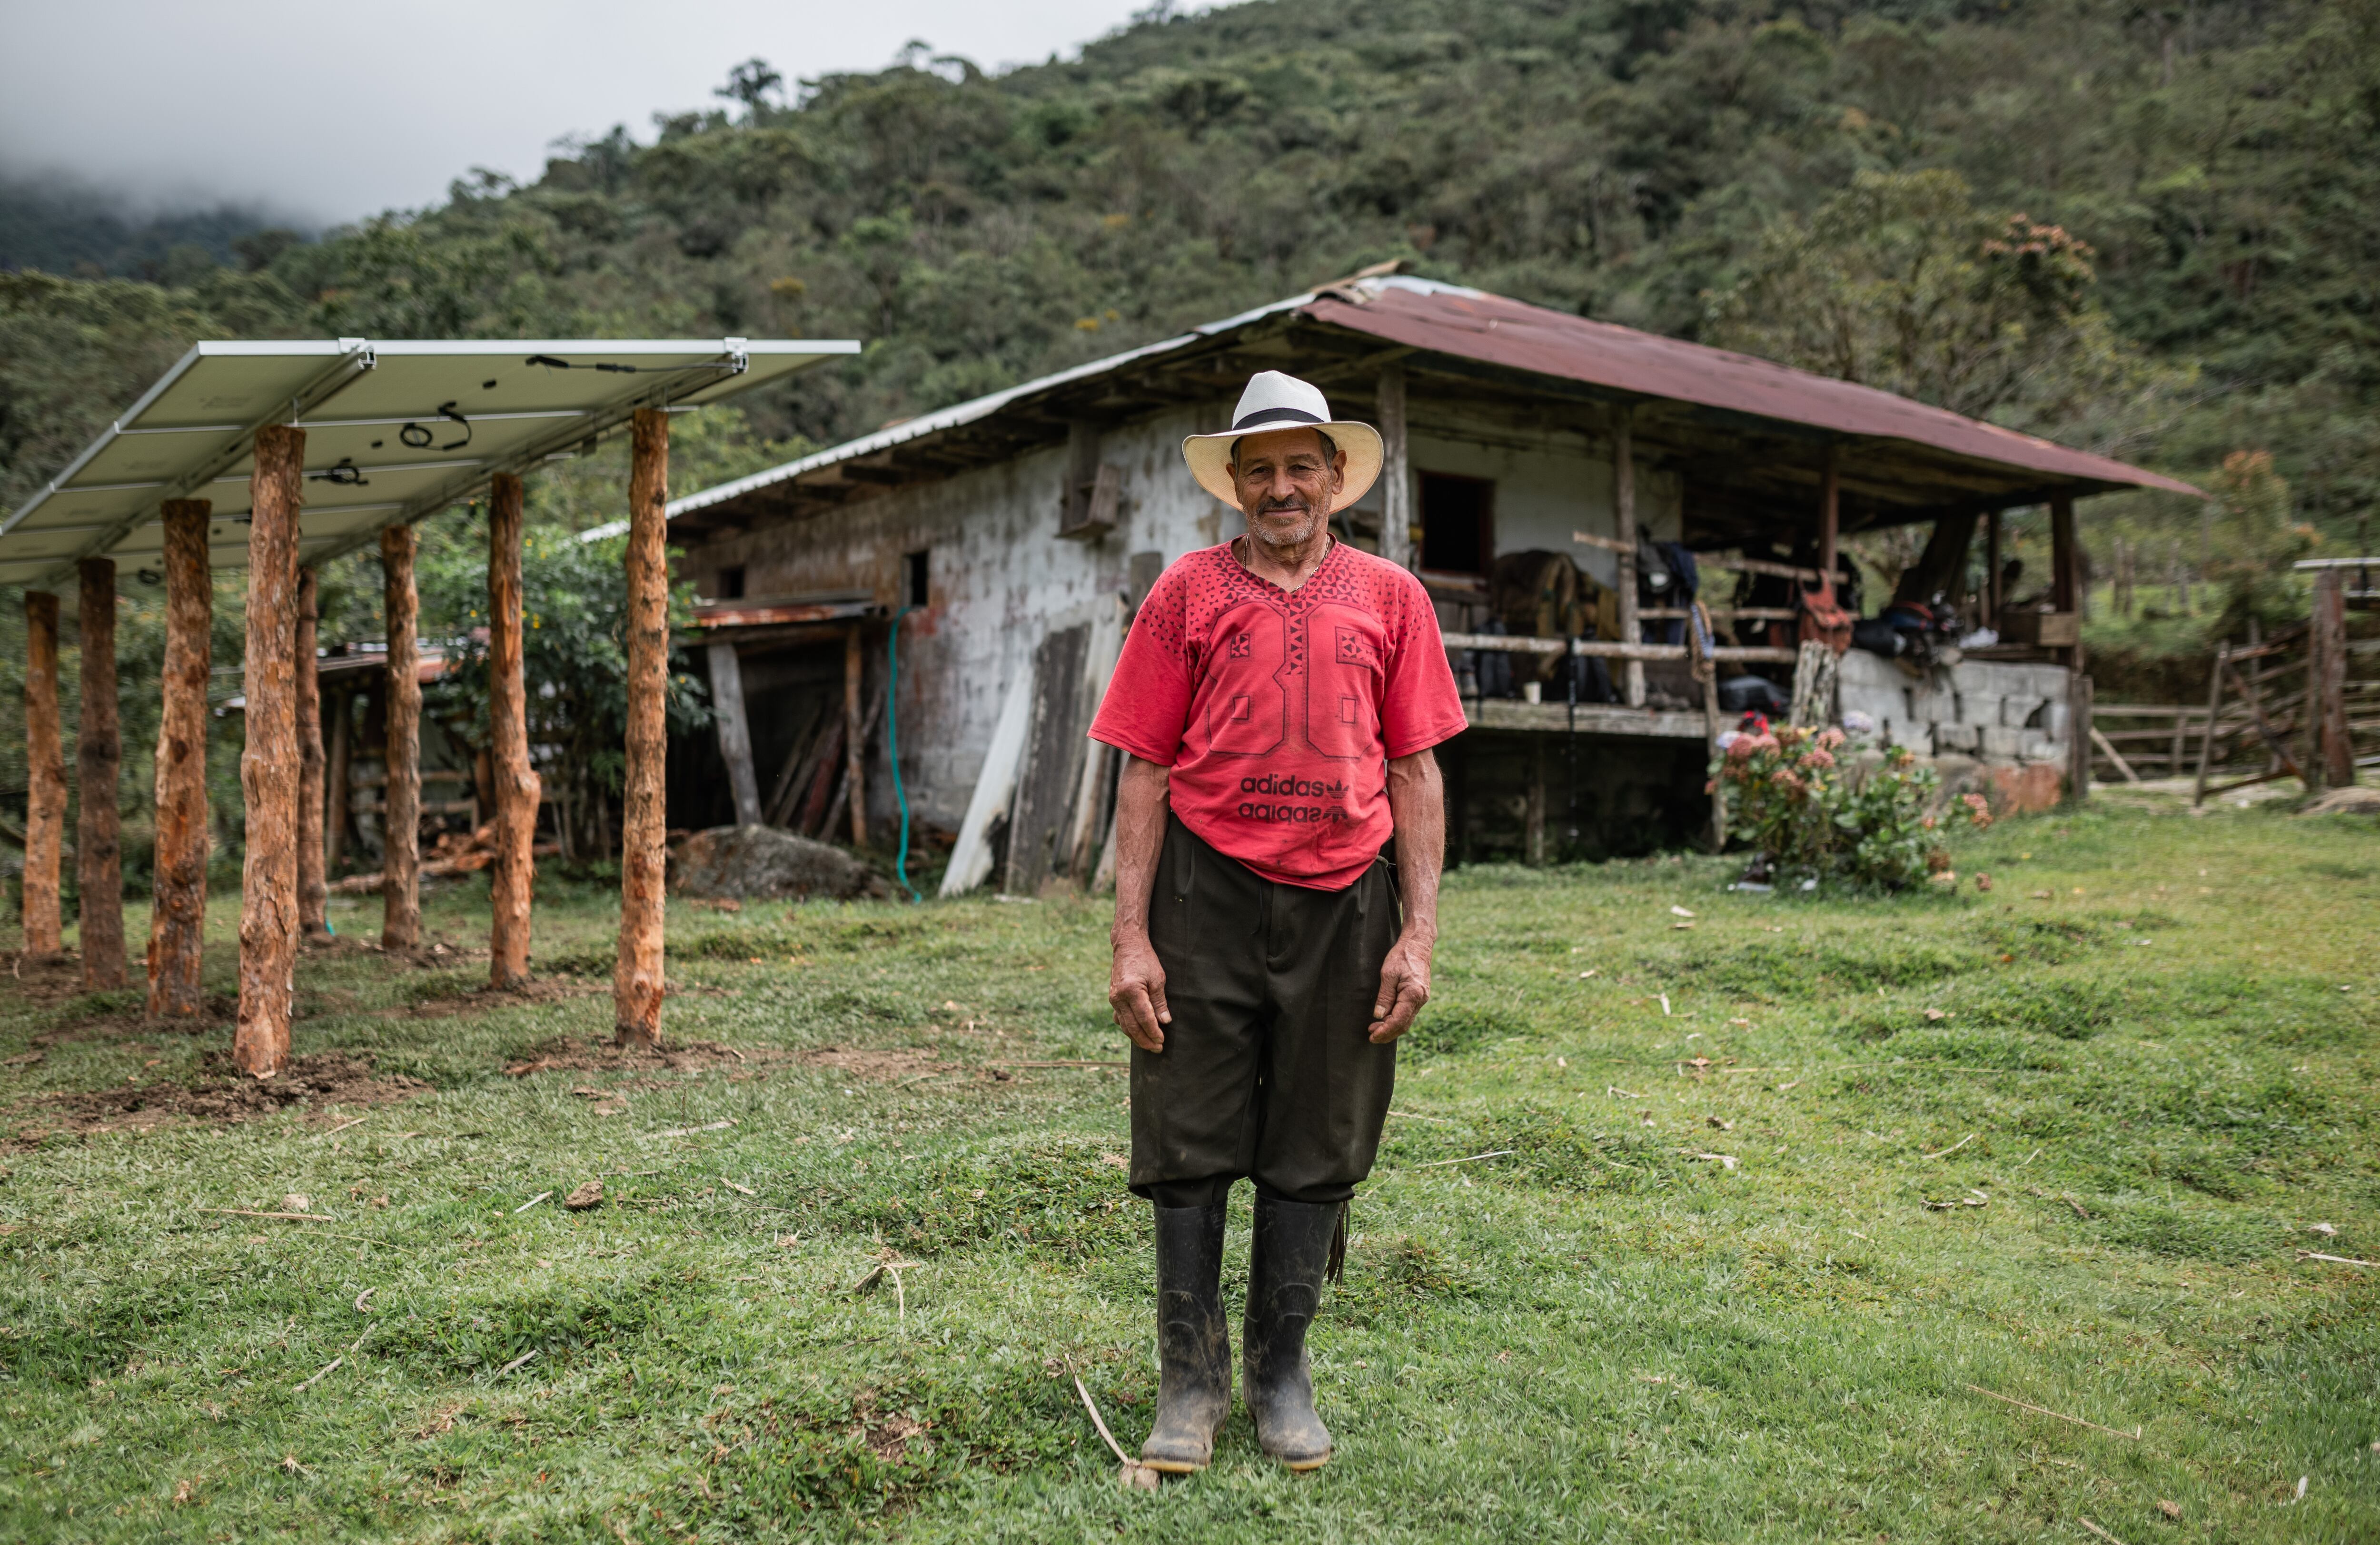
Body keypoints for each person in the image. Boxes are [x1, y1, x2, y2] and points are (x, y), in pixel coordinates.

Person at [1089, 370, 1467, 1474]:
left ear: (1337, 476)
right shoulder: (1186, 594)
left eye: (1302, 466)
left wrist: (1419, 934)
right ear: (1234, 488)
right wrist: (1130, 937)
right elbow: (1145, 769)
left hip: (1348, 903)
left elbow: (1417, 771)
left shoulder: (1392, 597)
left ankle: (1279, 1373)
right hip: (1202, 896)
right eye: (1260, 470)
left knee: (1321, 1135)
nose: (1282, 487)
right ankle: (1189, 1379)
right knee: (1188, 1131)